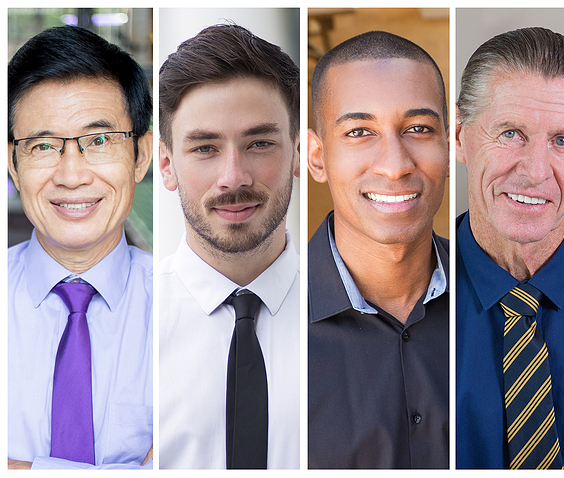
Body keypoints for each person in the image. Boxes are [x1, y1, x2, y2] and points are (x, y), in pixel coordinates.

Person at [157, 24, 303, 469]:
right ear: (167, 165)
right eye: (205, 148)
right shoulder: (128, 322)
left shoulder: (359, 314)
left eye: (259, 143)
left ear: (298, 154)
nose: (233, 177)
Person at [7, 26, 153, 469]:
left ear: (142, 157)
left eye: (100, 140)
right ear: (12, 165)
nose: (72, 175)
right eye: (44, 145)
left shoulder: (188, 306)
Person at [306, 30, 450, 469]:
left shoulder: (499, 301)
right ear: (316, 157)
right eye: (359, 131)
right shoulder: (270, 319)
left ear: (449, 142)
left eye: (419, 129)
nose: (394, 165)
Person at [455, 26, 564, 469]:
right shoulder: (410, 281)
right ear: (459, 136)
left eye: (562, 141)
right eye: (511, 133)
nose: (535, 172)